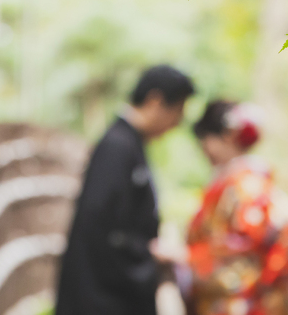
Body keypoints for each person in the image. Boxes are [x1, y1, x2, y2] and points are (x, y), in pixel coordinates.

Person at [55, 64, 195, 315]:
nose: (177, 123)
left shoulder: (129, 144)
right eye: (177, 111)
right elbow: (100, 228)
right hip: (100, 299)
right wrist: (148, 253)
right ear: (155, 100)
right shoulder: (116, 147)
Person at [172, 100, 288, 315]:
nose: (205, 151)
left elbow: (243, 246)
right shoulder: (239, 181)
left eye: (206, 141)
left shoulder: (246, 186)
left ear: (228, 136)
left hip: (239, 301)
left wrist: (185, 257)